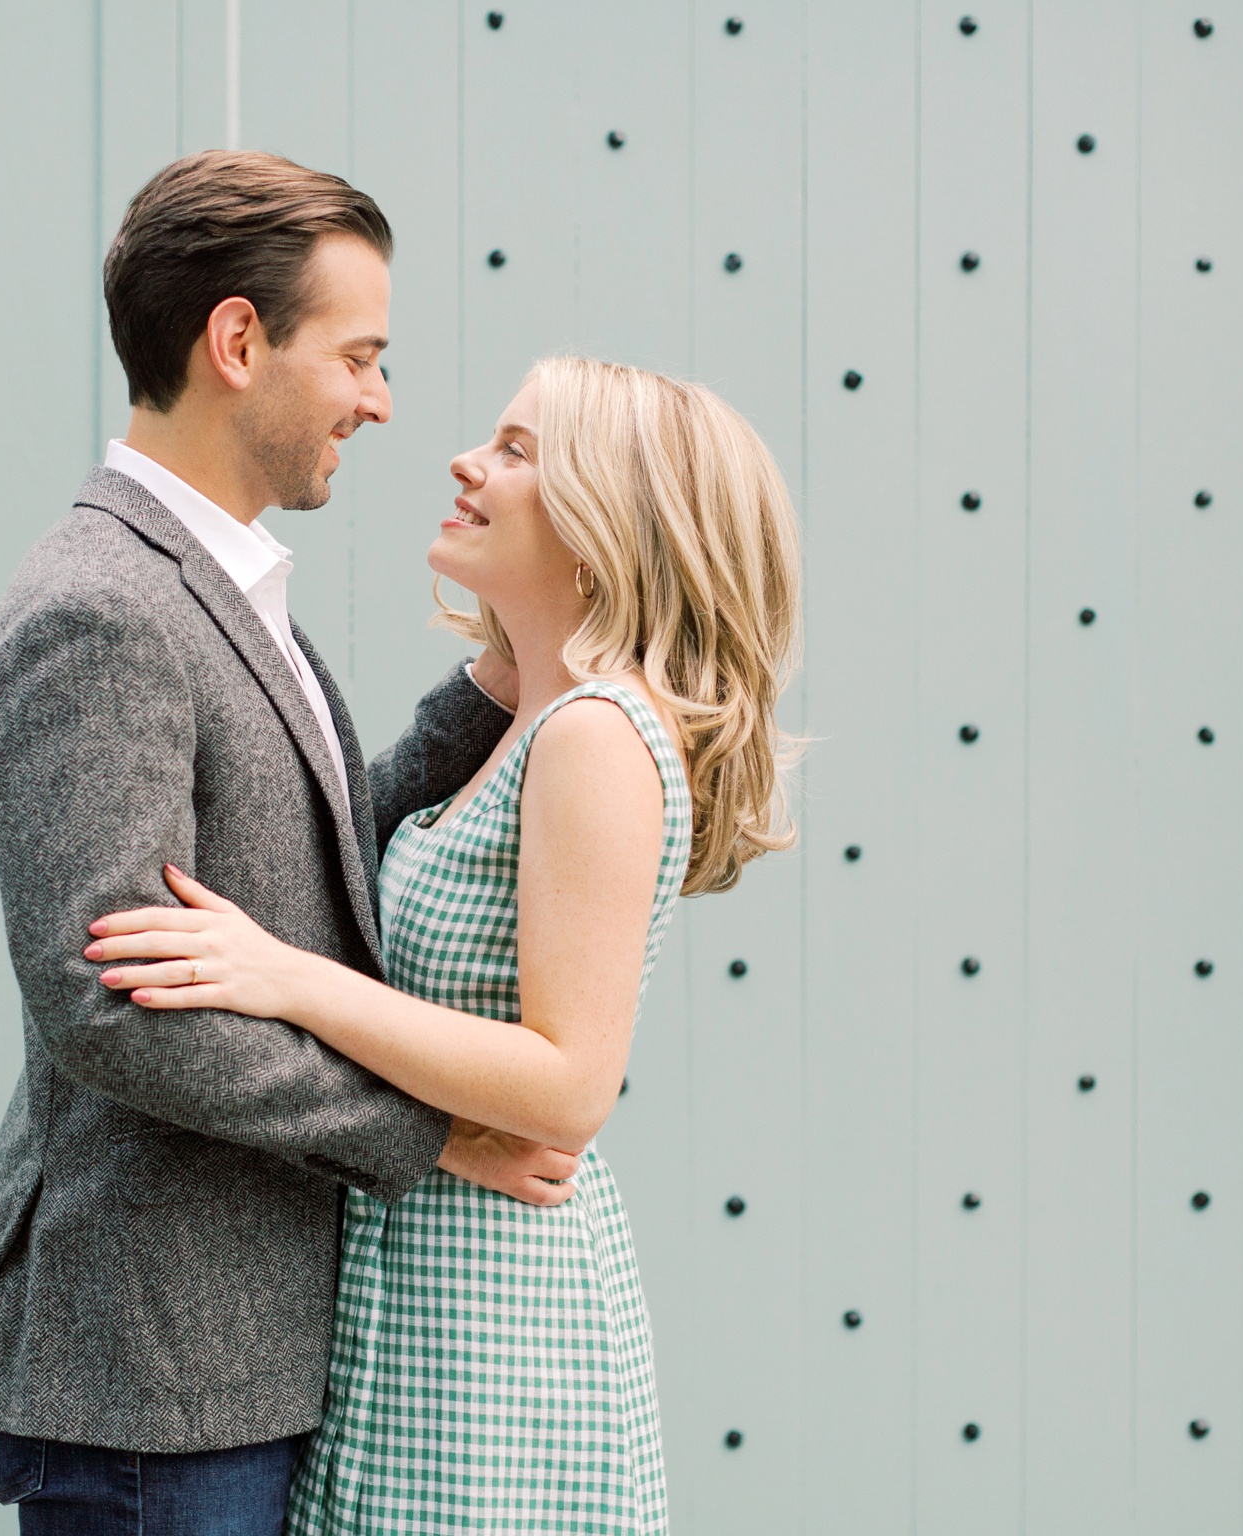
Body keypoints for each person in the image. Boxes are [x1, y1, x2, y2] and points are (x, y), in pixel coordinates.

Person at [0, 150, 579, 1534]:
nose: (380, 400)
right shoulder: (102, 610)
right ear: (237, 342)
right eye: (358, 356)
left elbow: (309, 861)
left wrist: (502, 683)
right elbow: (115, 1007)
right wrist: (433, 1134)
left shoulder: (209, 582)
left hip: (216, 1371)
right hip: (151, 1385)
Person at [87, 354, 804, 1533]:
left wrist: (285, 980)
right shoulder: (532, 719)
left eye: (517, 450)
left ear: (604, 524)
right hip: (417, 1284)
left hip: (488, 1320)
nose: (466, 462)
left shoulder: (592, 736)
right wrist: (510, 653)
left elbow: (568, 1086)